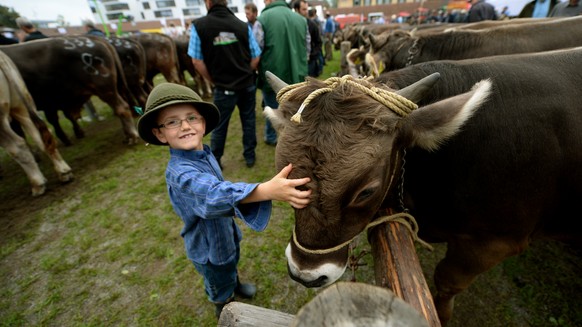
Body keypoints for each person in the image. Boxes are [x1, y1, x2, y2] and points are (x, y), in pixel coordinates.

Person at [136, 82, 312, 319]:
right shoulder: (180, 174)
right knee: (218, 278)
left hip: (225, 235)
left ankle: (235, 283)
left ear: (203, 122)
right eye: (172, 122)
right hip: (209, 250)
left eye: (191, 118)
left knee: (231, 263)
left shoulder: (203, 153)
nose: (185, 126)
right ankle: (223, 303)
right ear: (159, 133)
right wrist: (265, 190)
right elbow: (212, 194)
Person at [188, 0, 261, 169]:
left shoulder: (199, 26)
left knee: (219, 126)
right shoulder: (243, 25)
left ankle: (216, 160)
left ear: (208, 2)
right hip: (246, 85)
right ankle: (250, 156)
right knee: (248, 121)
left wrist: (214, 80)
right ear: (226, 2)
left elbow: (196, 61)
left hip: (223, 87)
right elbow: (256, 56)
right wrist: (246, 73)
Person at [256, 0, 308, 146]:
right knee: (298, 108)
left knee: (273, 108)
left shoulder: (262, 20)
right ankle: (299, 136)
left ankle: (271, 137)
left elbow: (256, 50)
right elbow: (307, 48)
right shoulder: (301, 20)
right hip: (298, 74)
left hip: (272, 75)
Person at [82, 20, 106, 122]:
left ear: (87, 27)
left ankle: (93, 115)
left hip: (98, 71)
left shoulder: (88, 39)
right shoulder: (103, 35)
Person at [293, 0, 322, 77]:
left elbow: (318, 42)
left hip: (310, 62)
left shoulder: (312, 25)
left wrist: (312, 55)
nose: (306, 12)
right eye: (304, 9)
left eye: (307, 9)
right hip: (295, 61)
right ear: (296, 9)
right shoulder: (291, 24)